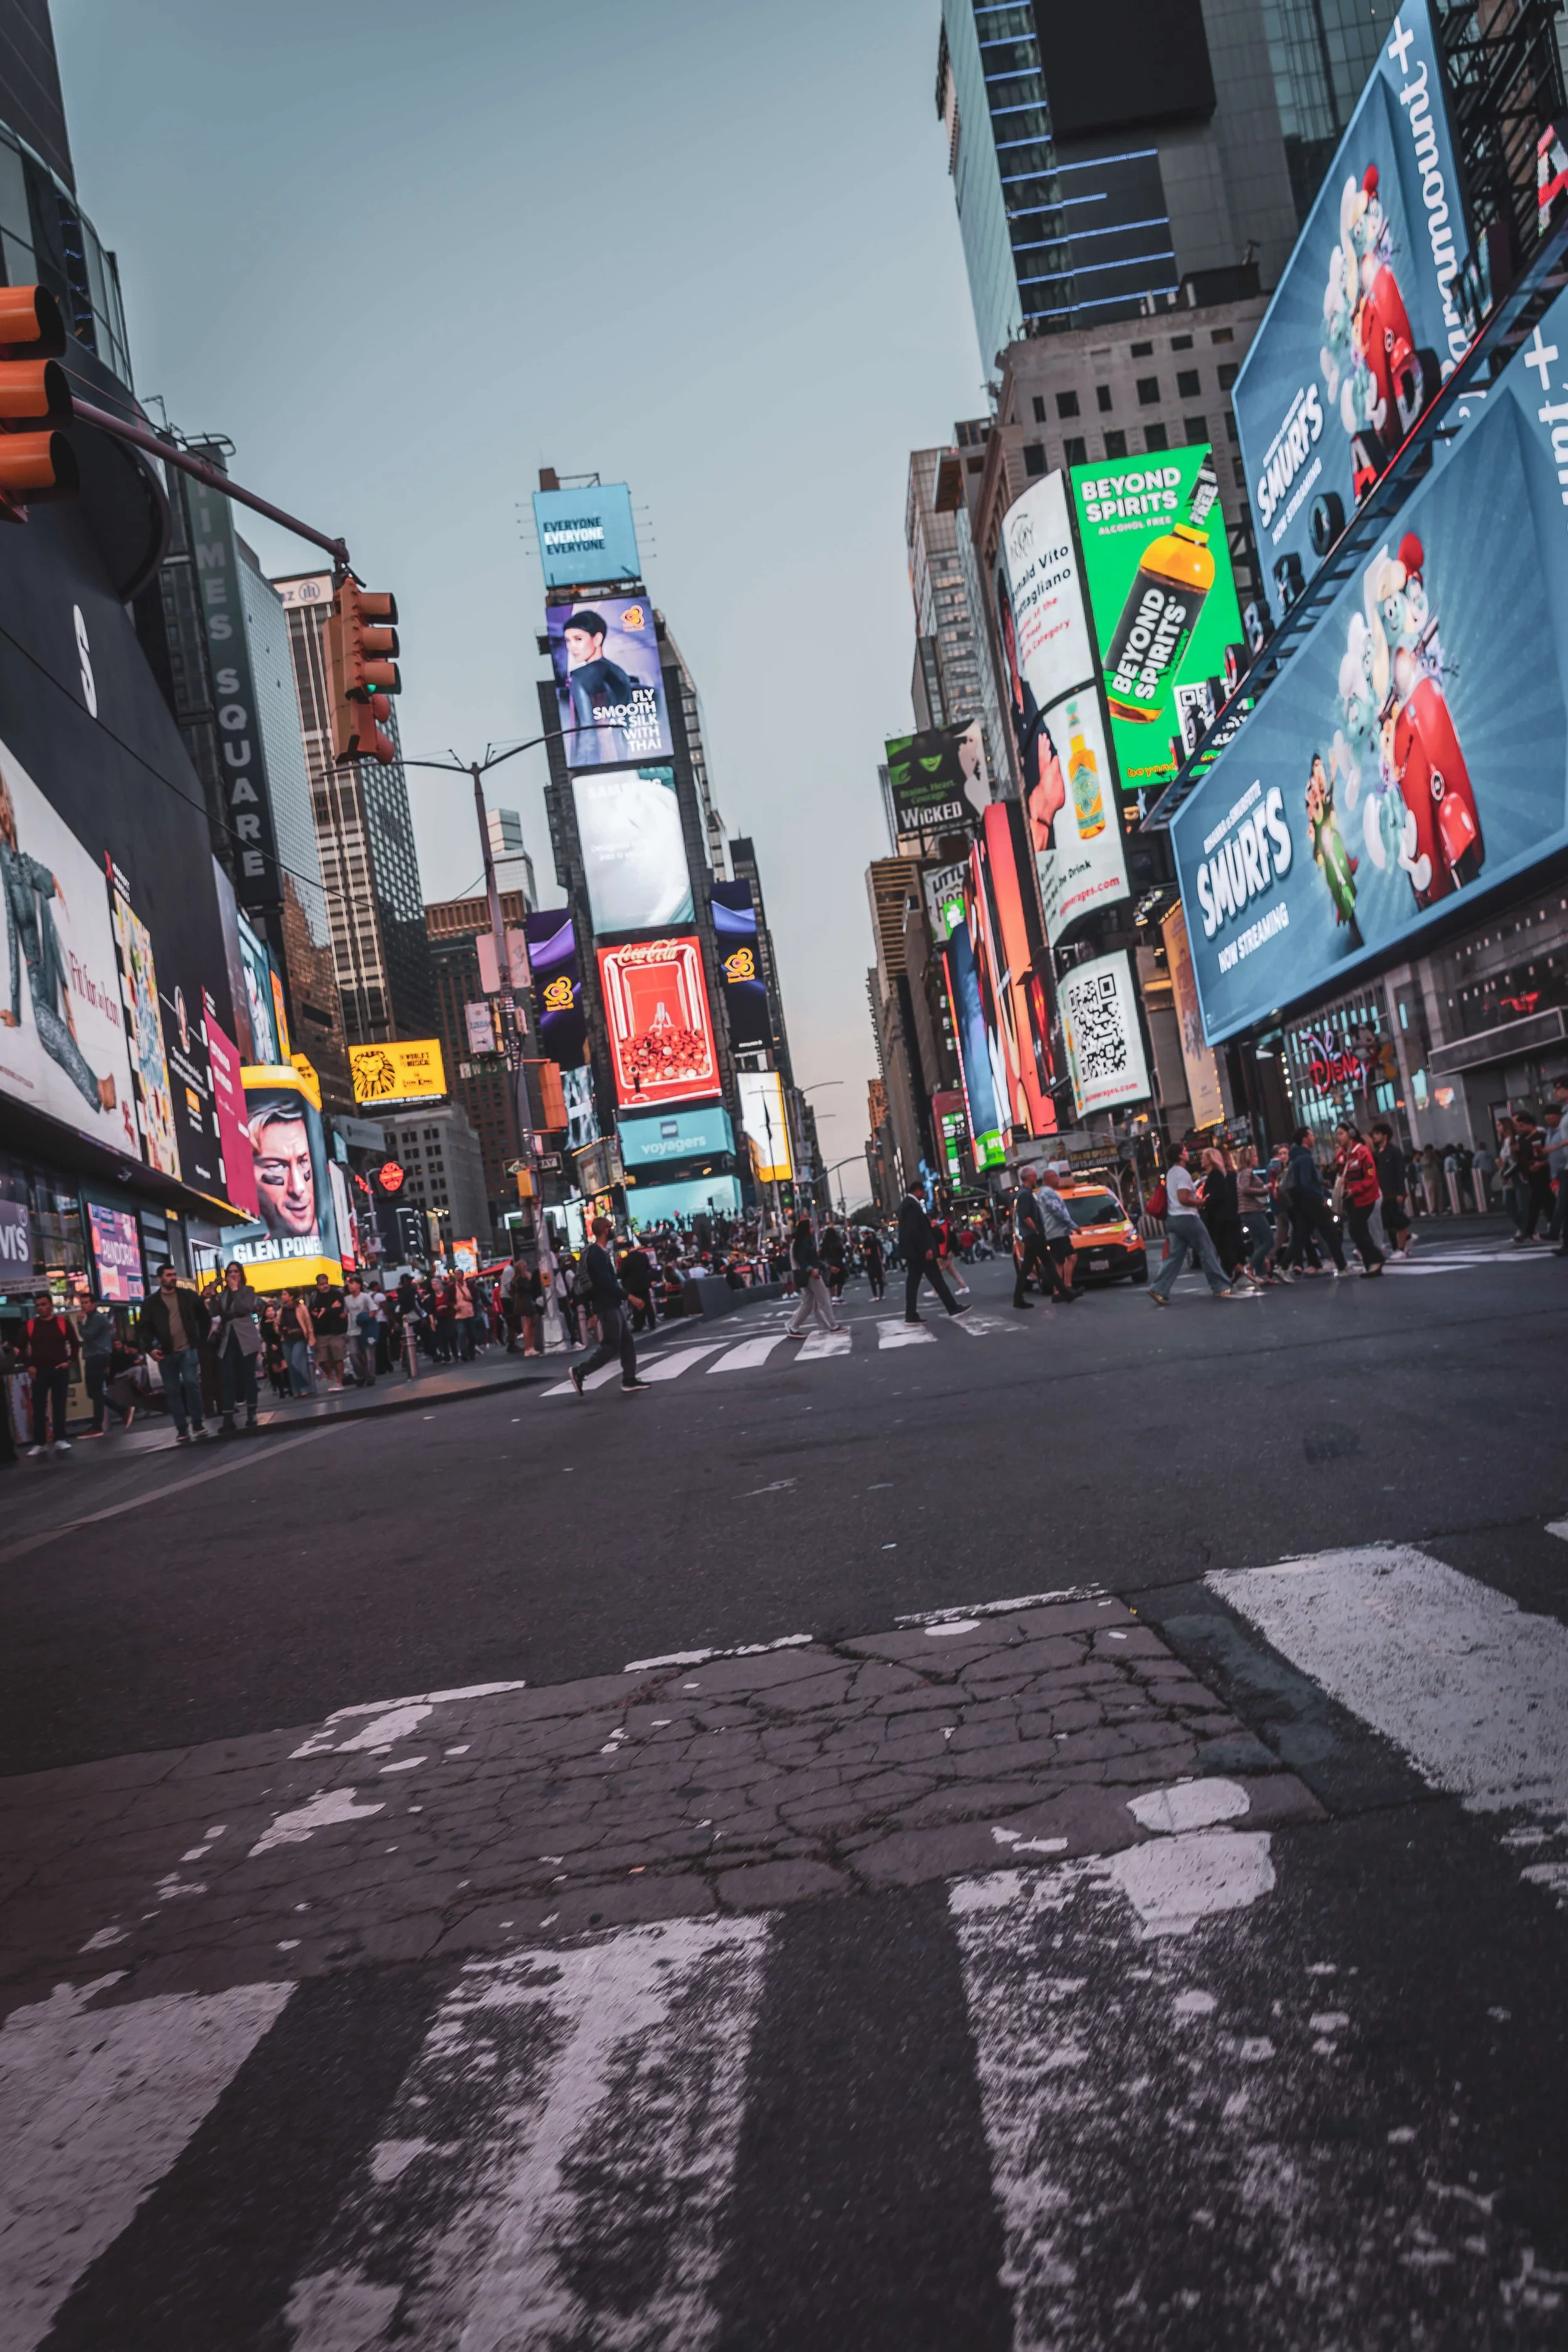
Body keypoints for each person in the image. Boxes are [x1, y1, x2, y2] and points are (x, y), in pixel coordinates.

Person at [1147, 1144, 1241, 1306]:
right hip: (1187, 1218)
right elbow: (1183, 1198)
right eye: (1185, 1151)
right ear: (1181, 1156)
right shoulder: (1183, 1174)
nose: (1188, 1153)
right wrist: (1199, 1202)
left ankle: (1159, 1289)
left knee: (1175, 1257)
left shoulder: (1171, 1173)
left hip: (1173, 1220)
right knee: (1208, 1251)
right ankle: (1221, 1286)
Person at [568, 1217, 648, 1395]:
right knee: (612, 1345)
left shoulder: (601, 1252)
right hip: (606, 1306)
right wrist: (631, 1298)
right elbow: (605, 1284)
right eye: (610, 1227)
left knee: (627, 1342)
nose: (612, 1230)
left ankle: (629, 1379)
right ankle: (580, 1371)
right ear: (605, 1230)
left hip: (611, 1305)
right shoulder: (597, 1254)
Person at [134, 1264, 211, 1443]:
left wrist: (200, 1340)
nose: (173, 1278)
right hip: (166, 1353)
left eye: (174, 1274)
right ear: (160, 1279)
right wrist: (150, 1349)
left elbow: (204, 1317)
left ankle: (198, 1424)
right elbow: (143, 1329)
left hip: (188, 1349)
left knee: (192, 1384)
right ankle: (182, 1428)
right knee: (172, 1390)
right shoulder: (151, 1303)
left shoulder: (188, 1296)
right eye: (169, 1275)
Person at [1281, 1129, 1348, 1275]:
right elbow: (1306, 1183)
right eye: (1311, 1135)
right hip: (1313, 1202)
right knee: (1330, 1233)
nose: (1314, 1138)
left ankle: (1283, 1266)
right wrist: (1320, 1198)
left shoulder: (1296, 1158)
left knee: (1302, 1236)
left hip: (1302, 1203)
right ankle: (1342, 1267)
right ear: (1305, 1139)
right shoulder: (1305, 1158)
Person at [899, 1179, 967, 1323]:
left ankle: (911, 1314)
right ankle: (952, 1308)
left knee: (915, 1283)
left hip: (915, 1252)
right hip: (920, 1253)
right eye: (922, 1191)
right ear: (917, 1191)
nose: (923, 1194)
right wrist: (926, 1249)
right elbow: (915, 1231)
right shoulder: (911, 1206)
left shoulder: (908, 1205)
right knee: (935, 1279)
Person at [21, 1288, 80, 1454]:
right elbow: (20, 1348)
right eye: (38, 1305)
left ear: (51, 1306)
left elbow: (75, 1344)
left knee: (59, 1405)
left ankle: (60, 1439)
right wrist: (29, 1365)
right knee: (39, 1407)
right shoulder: (31, 1325)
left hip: (59, 1370)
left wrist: (69, 1362)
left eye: (43, 1305)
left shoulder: (62, 1323)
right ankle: (40, 1443)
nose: (40, 1308)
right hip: (39, 1371)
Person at [1012, 1169, 1078, 1306]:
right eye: (1035, 1176)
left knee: (1036, 1267)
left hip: (1033, 1236)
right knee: (1046, 1265)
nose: (1037, 1179)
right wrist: (1036, 1230)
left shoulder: (1028, 1194)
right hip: (1033, 1237)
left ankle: (1064, 1293)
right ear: (1029, 1178)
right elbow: (1025, 1217)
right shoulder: (1025, 1195)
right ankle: (1065, 1293)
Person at [212, 1261, 263, 1433]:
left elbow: (244, 1308)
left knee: (248, 1376)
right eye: (230, 1272)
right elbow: (214, 1313)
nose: (233, 1275)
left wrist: (235, 1290)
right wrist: (212, 1294)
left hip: (246, 1338)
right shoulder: (223, 1294)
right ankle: (227, 1418)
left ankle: (252, 1413)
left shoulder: (248, 1291)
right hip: (228, 1339)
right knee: (227, 1379)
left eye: (236, 1272)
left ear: (241, 1274)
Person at [1334, 1121, 1385, 1274]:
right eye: (1337, 1135)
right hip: (1350, 1200)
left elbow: (1370, 1177)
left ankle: (1376, 1258)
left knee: (1356, 1229)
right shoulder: (1342, 1155)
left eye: (1341, 1134)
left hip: (1365, 1198)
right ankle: (1371, 1264)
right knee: (1360, 1230)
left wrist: (1355, 1190)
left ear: (1351, 1134)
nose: (1339, 1138)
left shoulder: (1362, 1152)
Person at [1199, 1146, 1248, 1284]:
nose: (1201, 1160)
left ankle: (1228, 1275)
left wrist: (1205, 1201)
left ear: (1210, 1159)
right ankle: (1235, 1269)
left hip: (1221, 1219)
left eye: (1204, 1157)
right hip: (1223, 1218)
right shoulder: (1215, 1175)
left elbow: (1219, 1195)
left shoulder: (1217, 1175)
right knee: (1226, 1247)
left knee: (1224, 1248)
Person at [785, 1217, 842, 1336]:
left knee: (809, 1303)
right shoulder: (803, 1242)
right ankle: (833, 1326)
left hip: (808, 1274)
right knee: (824, 1299)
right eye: (811, 1227)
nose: (813, 1229)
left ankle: (794, 1327)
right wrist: (812, 1270)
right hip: (811, 1275)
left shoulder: (802, 1241)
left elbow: (814, 1259)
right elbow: (803, 1260)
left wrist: (828, 1267)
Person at [1235, 1145, 1278, 1284]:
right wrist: (1264, 1189)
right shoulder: (1247, 1172)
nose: (1256, 1158)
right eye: (1254, 1156)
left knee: (1259, 1243)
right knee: (1269, 1240)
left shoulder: (1242, 1173)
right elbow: (1246, 1190)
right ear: (1248, 1158)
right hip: (1252, 1211)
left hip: (1248, 1211)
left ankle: (1262, 1275)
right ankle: (1250, 1266)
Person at [1370, 1123, 1413, 1258]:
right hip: (1381, 1193)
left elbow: (1400, 1173)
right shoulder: (1376, 1153)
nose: (1374, 1136)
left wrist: (1401, 1192)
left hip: (1394, 1192)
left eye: (1377, 1134)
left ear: (1385, 1136)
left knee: (1397, 1220)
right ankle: (1403, 1243)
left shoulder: (1394, 1151)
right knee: (1388, 1222)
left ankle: (1401, 1248)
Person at [77, 1291, 116, 1436]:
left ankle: (98, 1424)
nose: (84, 1306)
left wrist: (79, 1323)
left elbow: (88, 1335)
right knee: (94, 1392)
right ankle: (120, 1411)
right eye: (82, 1303)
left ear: (94, 1304)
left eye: (87, 1302)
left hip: (97, 1356)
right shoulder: (93, 1318)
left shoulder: (98, 1319)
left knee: (95, 1391)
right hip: (96, 1356)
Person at [1510, 1110, 1552, 1242]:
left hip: (1543, 1174)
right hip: (1530, 1174)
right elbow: (1520, 1157)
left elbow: (1546, 1154)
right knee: (1544, 1203)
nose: (1519, 1129)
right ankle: (1546, 1228)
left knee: (1537, 1203)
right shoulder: (1523, 1138)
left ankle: (1529, 1231)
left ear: (1529, 1124)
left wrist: (1540, 1164)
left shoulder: (1540, 1136)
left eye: (1521, 1126)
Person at [309, 1272, 349, 1389]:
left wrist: (324, 1311)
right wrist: (330, 1309)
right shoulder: (314, 1296)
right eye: (322, 1284)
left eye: (326, 1283)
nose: (325, 1286)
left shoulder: (336, 1294)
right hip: (321, 1332)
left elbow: (339, 1310)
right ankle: (331, 1377)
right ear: (317, 1285)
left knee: (338, 1357)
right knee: (322, 1359)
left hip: (336, 1330)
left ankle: (340, 1381)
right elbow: (313, 1312)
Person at [276, 1288, 314, 1395]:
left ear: (291, 1296)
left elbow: (308, 1323)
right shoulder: (281, 1310)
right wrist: (279, 1329)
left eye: (285, 1294)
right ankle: (296, 1390)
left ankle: (306, 1387)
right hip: (286, 1339)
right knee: (291, 1366)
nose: (283, 1297)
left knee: (297, 1361)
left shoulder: (301, 1308)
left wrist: (311, 1337)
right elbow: (277, 1324)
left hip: (299, 1338)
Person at [346, 1276, 380, 1387]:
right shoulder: (346, 1300)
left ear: (359, 1285)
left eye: (353, 1283)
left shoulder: (365, 1297)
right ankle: (360, 1375)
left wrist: (365, 1318)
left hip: (366, 1330)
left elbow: (374, 1311)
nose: (350, 1286)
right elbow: (344, 1314)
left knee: (369, 1355)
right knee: (353, 1355)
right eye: (349, 1284)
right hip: (352, 1330)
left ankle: (370, 1377)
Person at [818, 1222, 847, 1301]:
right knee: (840, 1280)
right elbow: (843, 1253)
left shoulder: (824, 1244)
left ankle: (833, 1296)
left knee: (831, 1281)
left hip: (829, 1263)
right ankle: (839, 1295)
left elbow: (821, 1255)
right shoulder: (838, 1243)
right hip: (839, 1262)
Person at [862, 1227, 886, 1301]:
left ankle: (875, 1295)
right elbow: (879, 1251)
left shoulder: (866, 1242)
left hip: (871, 1262)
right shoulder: (877, 1240)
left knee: (872, 1279)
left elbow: (868, 1252)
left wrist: (861, 1254)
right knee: (880, 1278)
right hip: (877, 1261)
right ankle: (881, 1295)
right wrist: (880, 1260)